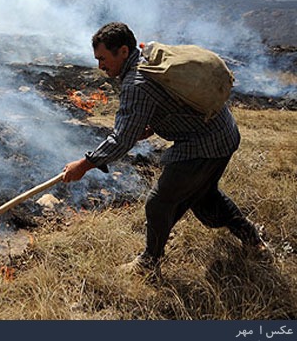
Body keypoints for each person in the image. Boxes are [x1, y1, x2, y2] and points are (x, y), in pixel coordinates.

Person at [62, 21, 270, 279]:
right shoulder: (148, 57)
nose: (100, 66)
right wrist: (153, 124)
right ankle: (254, 240)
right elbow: (169, 101)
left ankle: (149, 262)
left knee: (159, 203)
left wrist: (85, 164)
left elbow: (121, 140)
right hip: (224, 132)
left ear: (123, 52)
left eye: (103, 58)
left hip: (203, 144)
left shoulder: (136, 84)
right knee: (205, 196)